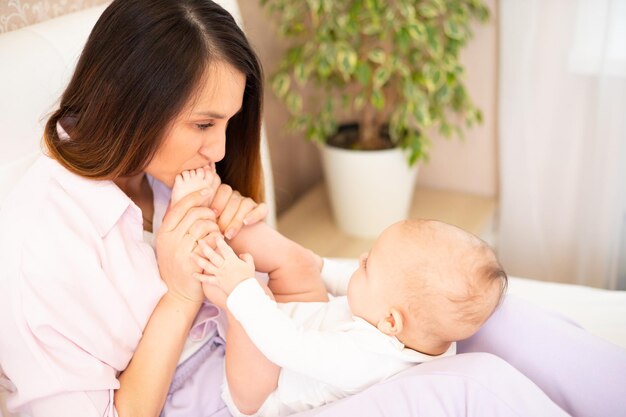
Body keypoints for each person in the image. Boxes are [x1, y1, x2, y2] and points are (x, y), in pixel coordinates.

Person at [0, 1, 624, 417]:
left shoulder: (160, 168)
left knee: (487, 315)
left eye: (228, 123)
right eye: (203, 124)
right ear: (130, 101)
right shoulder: (40, 238)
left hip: (271, 346)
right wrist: (181, 293)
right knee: (477, 384)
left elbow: (274, 279)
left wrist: (273, 254)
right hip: (236, 398)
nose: (218, 150)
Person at [194, 216, 508, 416]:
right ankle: (219, 213)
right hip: (307, 318)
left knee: (248, 299)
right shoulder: (413, 325)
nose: (360, 258)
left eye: (368, 266)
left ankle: (209, 256)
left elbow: (286, 346)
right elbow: (349, 281)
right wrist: (316, 265)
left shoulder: (364, 360)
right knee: (297, 260)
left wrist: (242, 289)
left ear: (390, 322)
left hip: (264, 390)